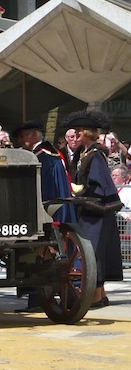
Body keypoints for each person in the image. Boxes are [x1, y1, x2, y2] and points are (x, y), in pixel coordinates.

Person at [13, 120, 76, 313]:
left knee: (40, 252)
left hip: (47, 208)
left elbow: (42, 187)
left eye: (24, 136)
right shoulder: (52, 153)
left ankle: (37, 298)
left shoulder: (41, 156)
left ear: (33, 135)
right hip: (58, 206)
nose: (22, 141)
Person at [63, 109, 123, 309]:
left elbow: (100, 184)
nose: (76, 135)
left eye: (79, 131)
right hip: (88, 211)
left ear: (88, 132)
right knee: (92, 251)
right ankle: (100, 295)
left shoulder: (95, 155)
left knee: (93, 252)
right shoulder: (85, 153)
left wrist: (81, 192)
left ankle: (96, 296)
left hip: (95, 212)